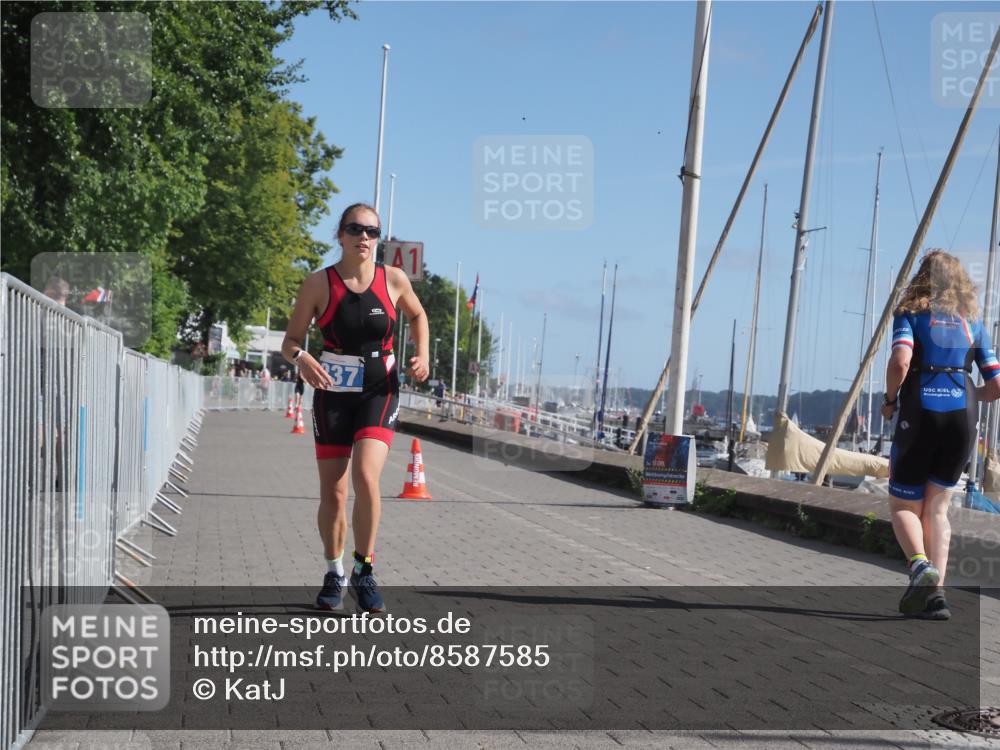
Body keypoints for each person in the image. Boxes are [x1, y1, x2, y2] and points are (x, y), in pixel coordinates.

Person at [282, 203, 429, 613]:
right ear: (340, 235)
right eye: (355, 229)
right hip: (332, 391)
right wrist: (303, 359)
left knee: (366, 476)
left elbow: (418, 315)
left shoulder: (393, 279)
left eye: (372, 231)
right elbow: (290, 341)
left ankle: (365, 570)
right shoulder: (318, 284)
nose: (364, 237)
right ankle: (334, 573)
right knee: (333, 490)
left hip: (379, 390)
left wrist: (423, 355)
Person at [882, 250, 1000, 620]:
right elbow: (996, 386)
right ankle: (936, 596)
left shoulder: (910, 313)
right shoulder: (973, 322)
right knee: (938, 509)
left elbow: (901, 362)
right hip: (962, 417)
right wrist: (970, 395)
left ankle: (919, 566)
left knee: (904, 505)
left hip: (920, 412)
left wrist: (888, 401)